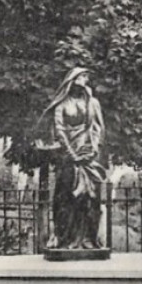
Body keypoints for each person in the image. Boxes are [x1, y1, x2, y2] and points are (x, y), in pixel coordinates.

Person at [36, 67, 106, 249]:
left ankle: (88, 239)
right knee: (66, 197)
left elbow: (98, 128)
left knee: (91, 198)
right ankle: (65, 238)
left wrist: (93, 150)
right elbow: (60, 131)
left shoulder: (93, 103)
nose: (86, 79)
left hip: (88, 155)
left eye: (86, 76)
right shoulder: (62, 105)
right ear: (72, 80)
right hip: (68, 157)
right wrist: (72, 154)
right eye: (82, 76)